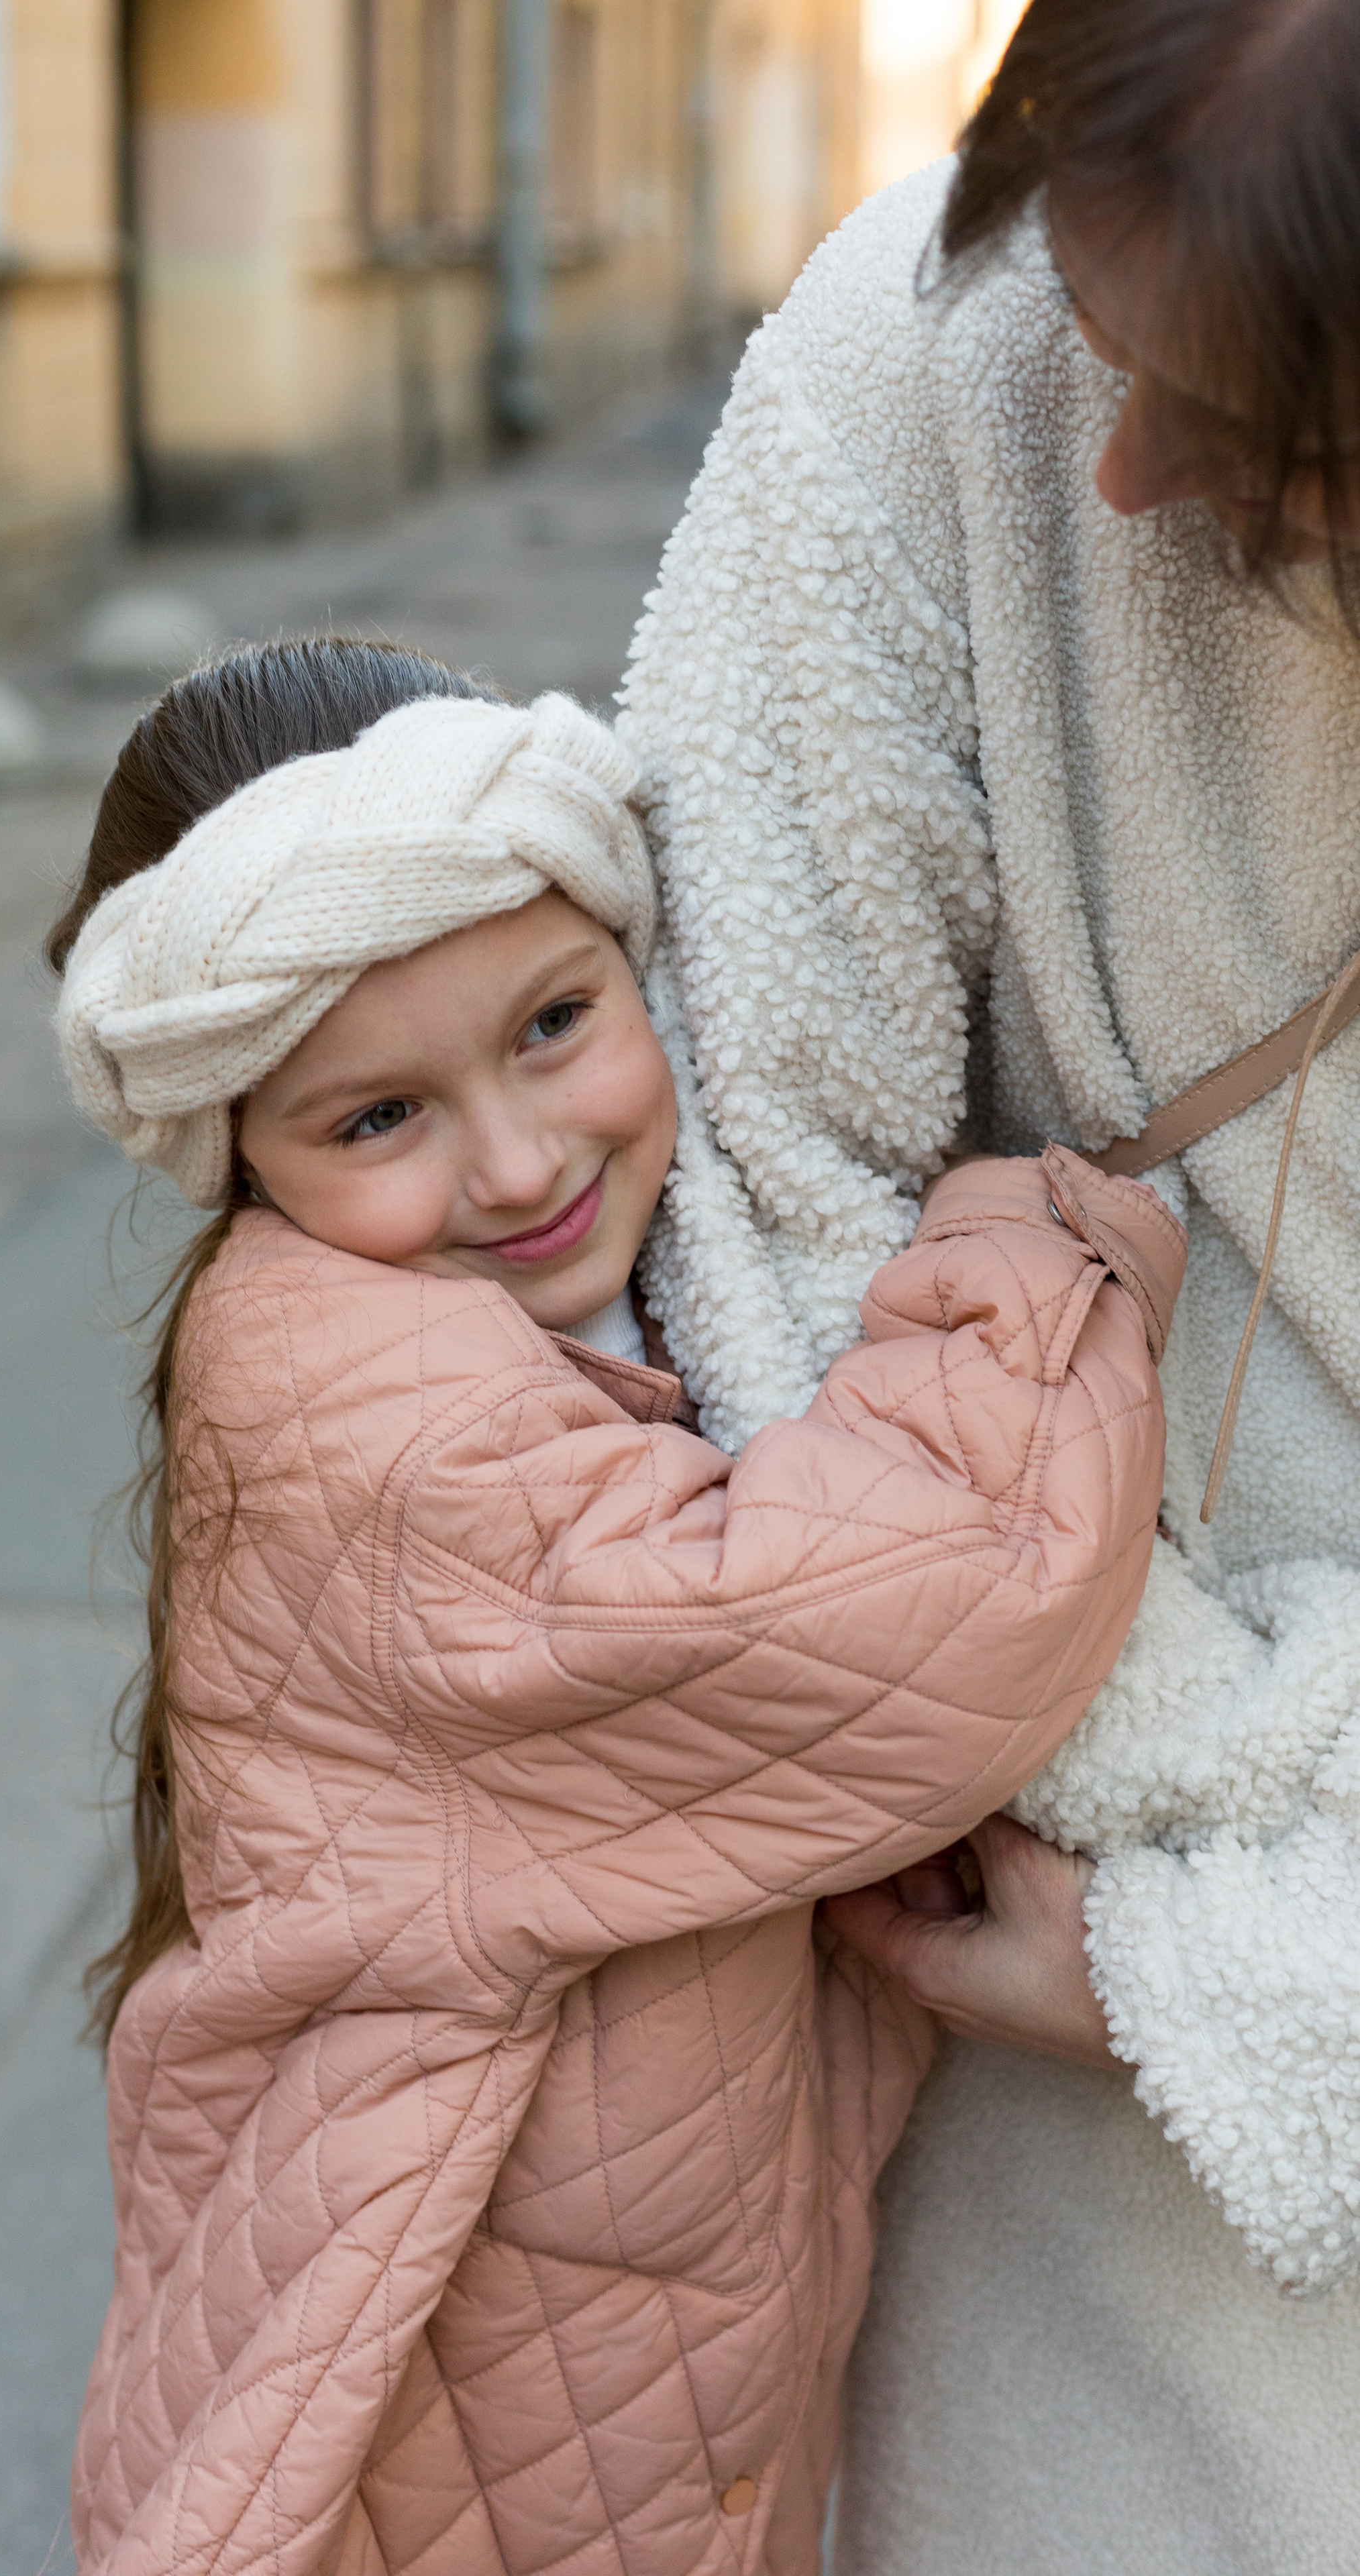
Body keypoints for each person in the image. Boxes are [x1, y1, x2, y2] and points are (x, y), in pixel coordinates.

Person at [43, 639, 1181, 2576]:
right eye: (375, 1120)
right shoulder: (365, 1417)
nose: (515, 1162)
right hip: (443, 2427)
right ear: (241, 1151)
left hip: (605, 2378)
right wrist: (1024, 1256)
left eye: (557, 1022)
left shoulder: (486, 1314)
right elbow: (931, 1616)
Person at [619, 0, 1360, 2567]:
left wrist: (1278, 1974)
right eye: (1097, 339)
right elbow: (746, 1160)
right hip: (1015, 1831)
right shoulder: (929, 361)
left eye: (1270, 443)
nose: (1128, 470)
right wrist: (1146, 1804)